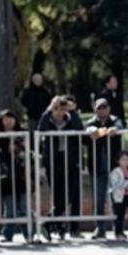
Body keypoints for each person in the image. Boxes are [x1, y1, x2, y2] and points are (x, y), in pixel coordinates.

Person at [37, 95, 85, 239]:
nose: (59, 112)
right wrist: (49, 110)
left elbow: (80, 129)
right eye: (56, 108)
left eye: (62, 108)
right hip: (53, 161)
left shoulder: (71, 119)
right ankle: (56, 226)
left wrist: (73, 111)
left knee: (70, 194)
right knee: (58, 197)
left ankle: (49, 223)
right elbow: (41, 129)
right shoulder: (48, 119)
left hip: (70, 160)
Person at [86, 97, 124, 239]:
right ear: (95, 109)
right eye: (99, 107)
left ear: (109, 108)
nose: (102, 110)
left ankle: (118, 229)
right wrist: (93, 131)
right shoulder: (91, 123)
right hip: (97, 167)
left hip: (114, 167)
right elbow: (86, 133)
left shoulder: (115, 120)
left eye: (105, 106)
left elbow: (120, 126)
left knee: (117, 198)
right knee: (98, 199)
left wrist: (114, 129)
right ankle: (99, 228)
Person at [0, 109, 29, 242]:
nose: (8, 121)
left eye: (11, 118)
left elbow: (27, 151)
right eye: (5, 119)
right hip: (6, 175)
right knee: (9, 207)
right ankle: (7, 233)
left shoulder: (22, 133)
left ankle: (29, 233)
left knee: (23, 206)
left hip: (21, 174)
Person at [109, 151, 128, 240]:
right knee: (120, 214)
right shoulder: (116, 171)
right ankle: (119, 233)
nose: (125, 162)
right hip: (120, 196)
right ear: (118, 161)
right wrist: (126, 184)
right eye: (123, 160)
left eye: (127, 160)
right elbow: (115, 184)